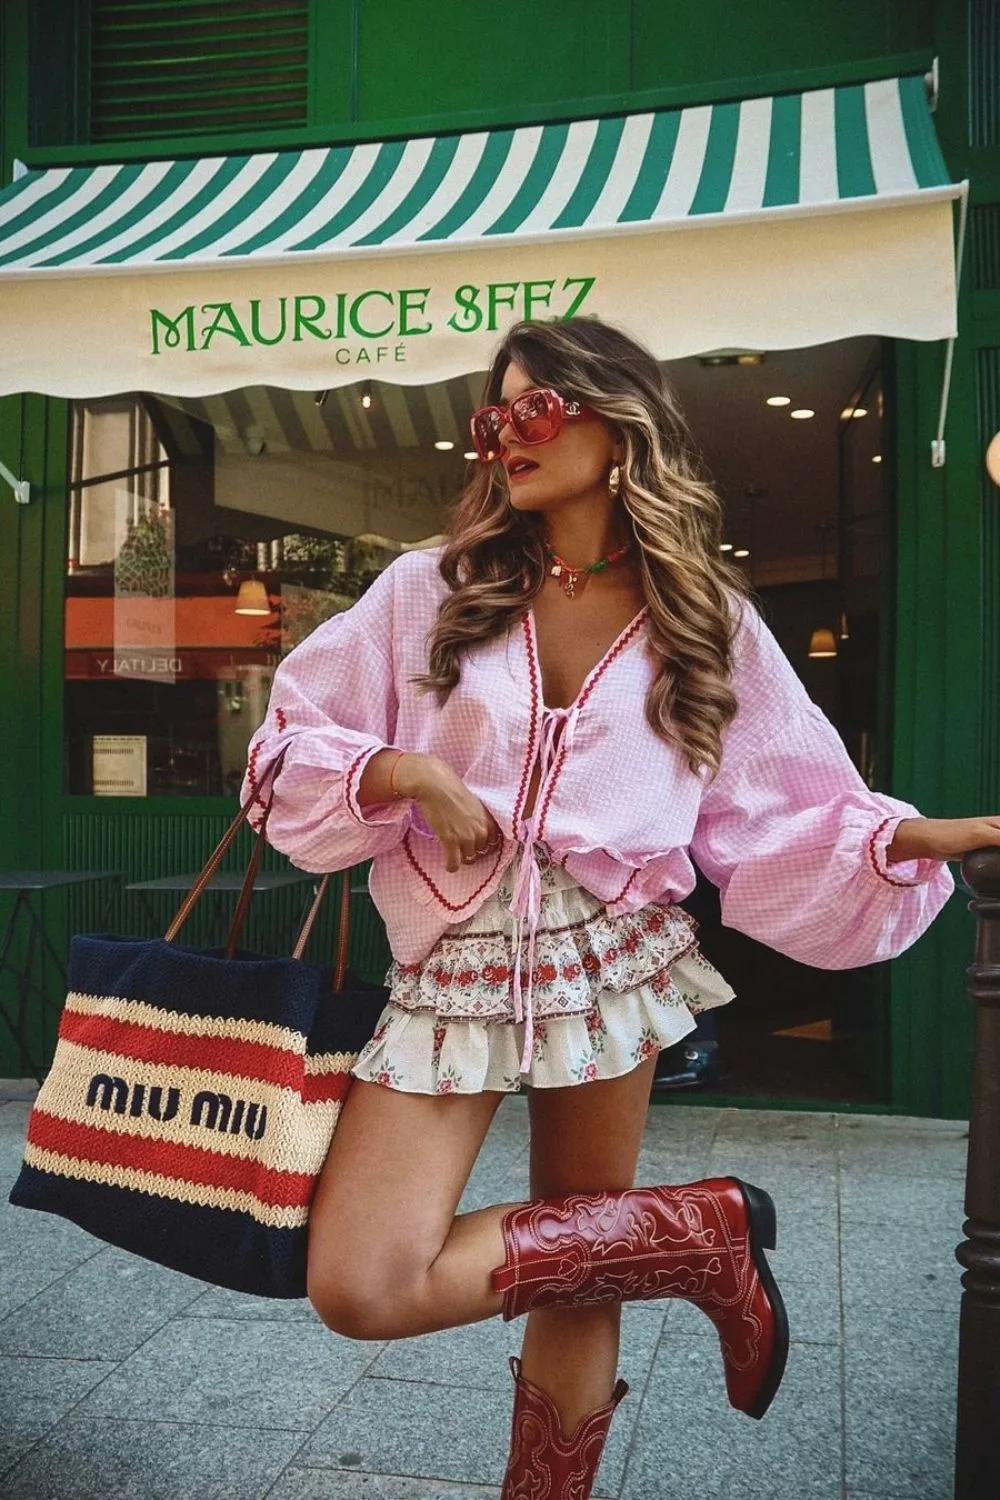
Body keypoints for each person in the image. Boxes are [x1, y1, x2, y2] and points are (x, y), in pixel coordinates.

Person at [242, 317, 993, 1498]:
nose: (507, 436)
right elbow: (291, 746)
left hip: (612, 957)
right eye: (494, 418)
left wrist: (917, 838)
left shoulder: (705, 620)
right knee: (362, 1281)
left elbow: (779, 808)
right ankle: (700, 1233)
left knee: (578, 1259)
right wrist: (407, 773)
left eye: (536, 408)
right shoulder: (420, 594)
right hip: (453, 960)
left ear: (616, 419)